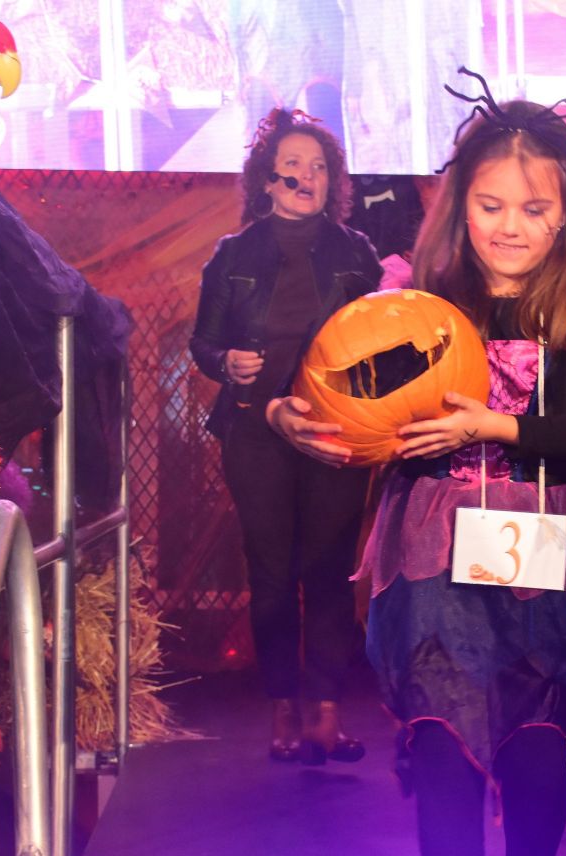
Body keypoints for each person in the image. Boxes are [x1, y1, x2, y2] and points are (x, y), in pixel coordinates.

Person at [267, 76, 566, 856]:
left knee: (533, 748)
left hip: (543, 551)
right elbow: (331, 384)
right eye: (491, 206)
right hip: (431, 549)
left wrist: (495, 426)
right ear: (462, 205)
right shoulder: (411, 296)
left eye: (533, 209)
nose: (510, 227)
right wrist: (288, 414)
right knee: (441, 747)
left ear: (565, 216)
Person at [190, 107, 382, 764]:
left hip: (336, 425)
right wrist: (225, 363)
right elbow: (203, 341)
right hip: (254, 429)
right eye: (293, 165)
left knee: (330, 569)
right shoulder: (233, 254)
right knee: (272, 573)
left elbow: (383, 334)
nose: (308, 176)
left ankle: (327, 712)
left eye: (319, 166)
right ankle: (283, 709)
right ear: (267, 180)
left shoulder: (357, 252)